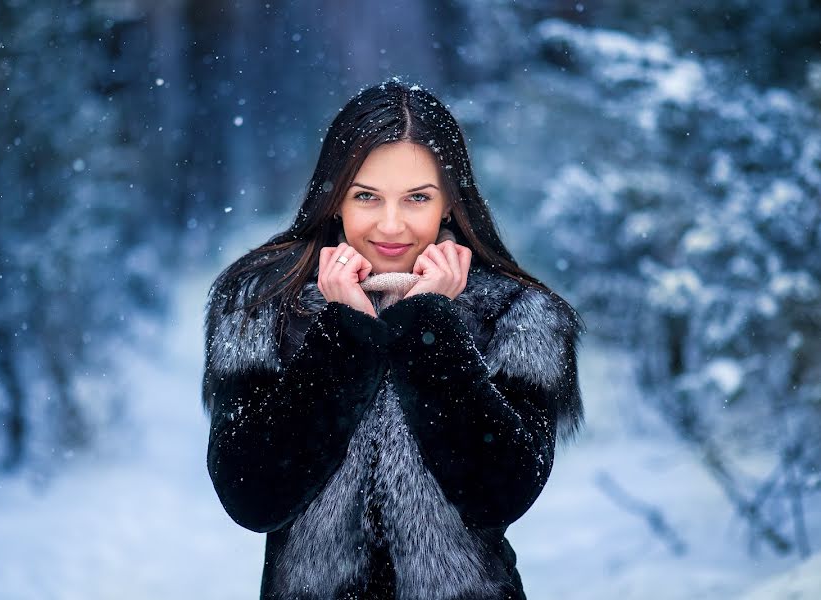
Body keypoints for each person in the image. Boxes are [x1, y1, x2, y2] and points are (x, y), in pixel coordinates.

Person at [202, 78, 586, 600]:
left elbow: (501, 494)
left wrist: (430, 328)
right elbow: (252, 496)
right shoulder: (259, 306)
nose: (390, 225)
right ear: (335, 199)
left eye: (417, 198)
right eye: (365, 196)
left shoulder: (520, 315)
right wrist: (343, 334)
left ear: (449, 203)